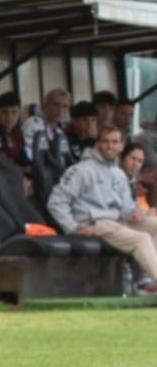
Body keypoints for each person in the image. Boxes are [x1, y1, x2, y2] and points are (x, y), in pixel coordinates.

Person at [47, 125, 157, 293]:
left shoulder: (118, 173)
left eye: (115, 142)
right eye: (105, 141)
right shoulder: (81, 170)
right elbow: (56, 202)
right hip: (95, 223)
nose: (110, 146)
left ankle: (145, 280)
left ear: (121, 146)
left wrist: (135, 213)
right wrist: (73, 228)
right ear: (97, 144)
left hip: (118, 221)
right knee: (141, 239)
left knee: (154, 224)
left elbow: (126, 204)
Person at [22, 87, 70, 162]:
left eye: (64, 106)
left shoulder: (60, 133)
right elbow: (29, 153)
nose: (60, 109)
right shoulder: (33, 123)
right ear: (45, 105)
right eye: (56, 104)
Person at [0, 91, 26, 164]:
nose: (9, 117)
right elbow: (0, 163)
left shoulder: (17, 132)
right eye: (4, 112)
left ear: (19, 113)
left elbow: (23, 159)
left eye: (14, 112)